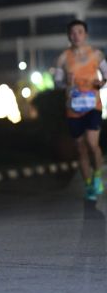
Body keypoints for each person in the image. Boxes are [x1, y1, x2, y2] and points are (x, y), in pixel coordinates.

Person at [54, 19, 107, 201]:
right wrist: (66, 82)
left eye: (79, 32)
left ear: (86, 35)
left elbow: (106, 75)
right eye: (72, 32)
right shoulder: (63, 58)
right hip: (74, 108)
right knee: (80, 149)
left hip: (93, 106)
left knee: (92, 144)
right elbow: (57, 83)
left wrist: (101, 82)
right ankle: (89, 185)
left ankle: (97, 175)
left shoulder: (96, 54)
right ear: (68, 36)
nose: (76, 35)